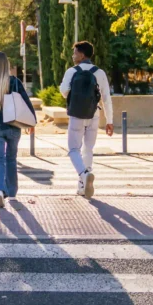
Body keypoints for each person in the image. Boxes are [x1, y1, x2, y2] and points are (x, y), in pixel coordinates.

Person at [0, 51, 37, 208]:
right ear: (7, 65)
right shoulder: (14, 82)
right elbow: (26, 103)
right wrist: (31, 123)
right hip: (13, 127)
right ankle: (11, 191)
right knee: (11, 159)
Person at [59, 40, 113, 199]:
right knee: (88, 148)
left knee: (73, 149)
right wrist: (109, 121)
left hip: (76, 115)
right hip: (93, 115)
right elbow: (106, 98)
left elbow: (63, 92)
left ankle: (83, 175)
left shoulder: (72, 71)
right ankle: (83, 186)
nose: (73, 55)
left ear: (82, 54)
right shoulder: (99, 72)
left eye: (75, 52)